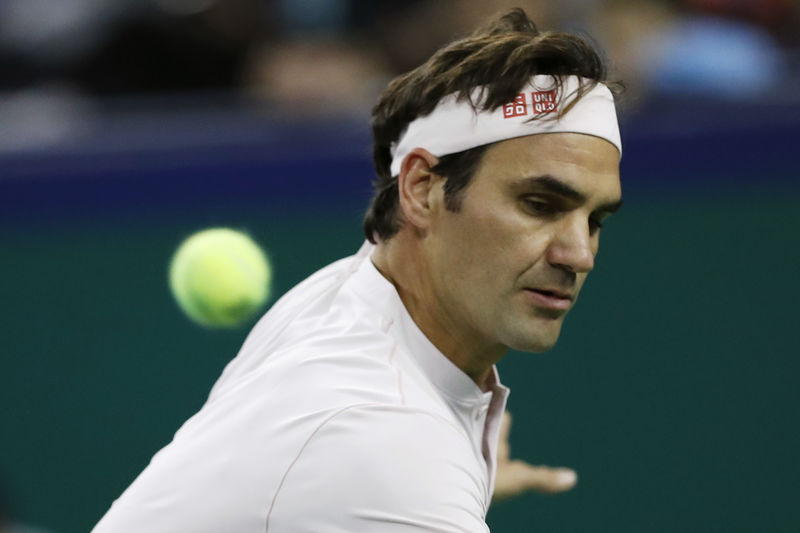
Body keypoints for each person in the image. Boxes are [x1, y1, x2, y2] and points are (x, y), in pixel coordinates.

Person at [93, 8, 623, 532]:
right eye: (539, 204)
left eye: (595, 219)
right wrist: (421, 483)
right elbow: (373, 453)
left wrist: (455, 472)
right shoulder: (384, 441)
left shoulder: (348, 298)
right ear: (420, 189)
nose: (579, 254)